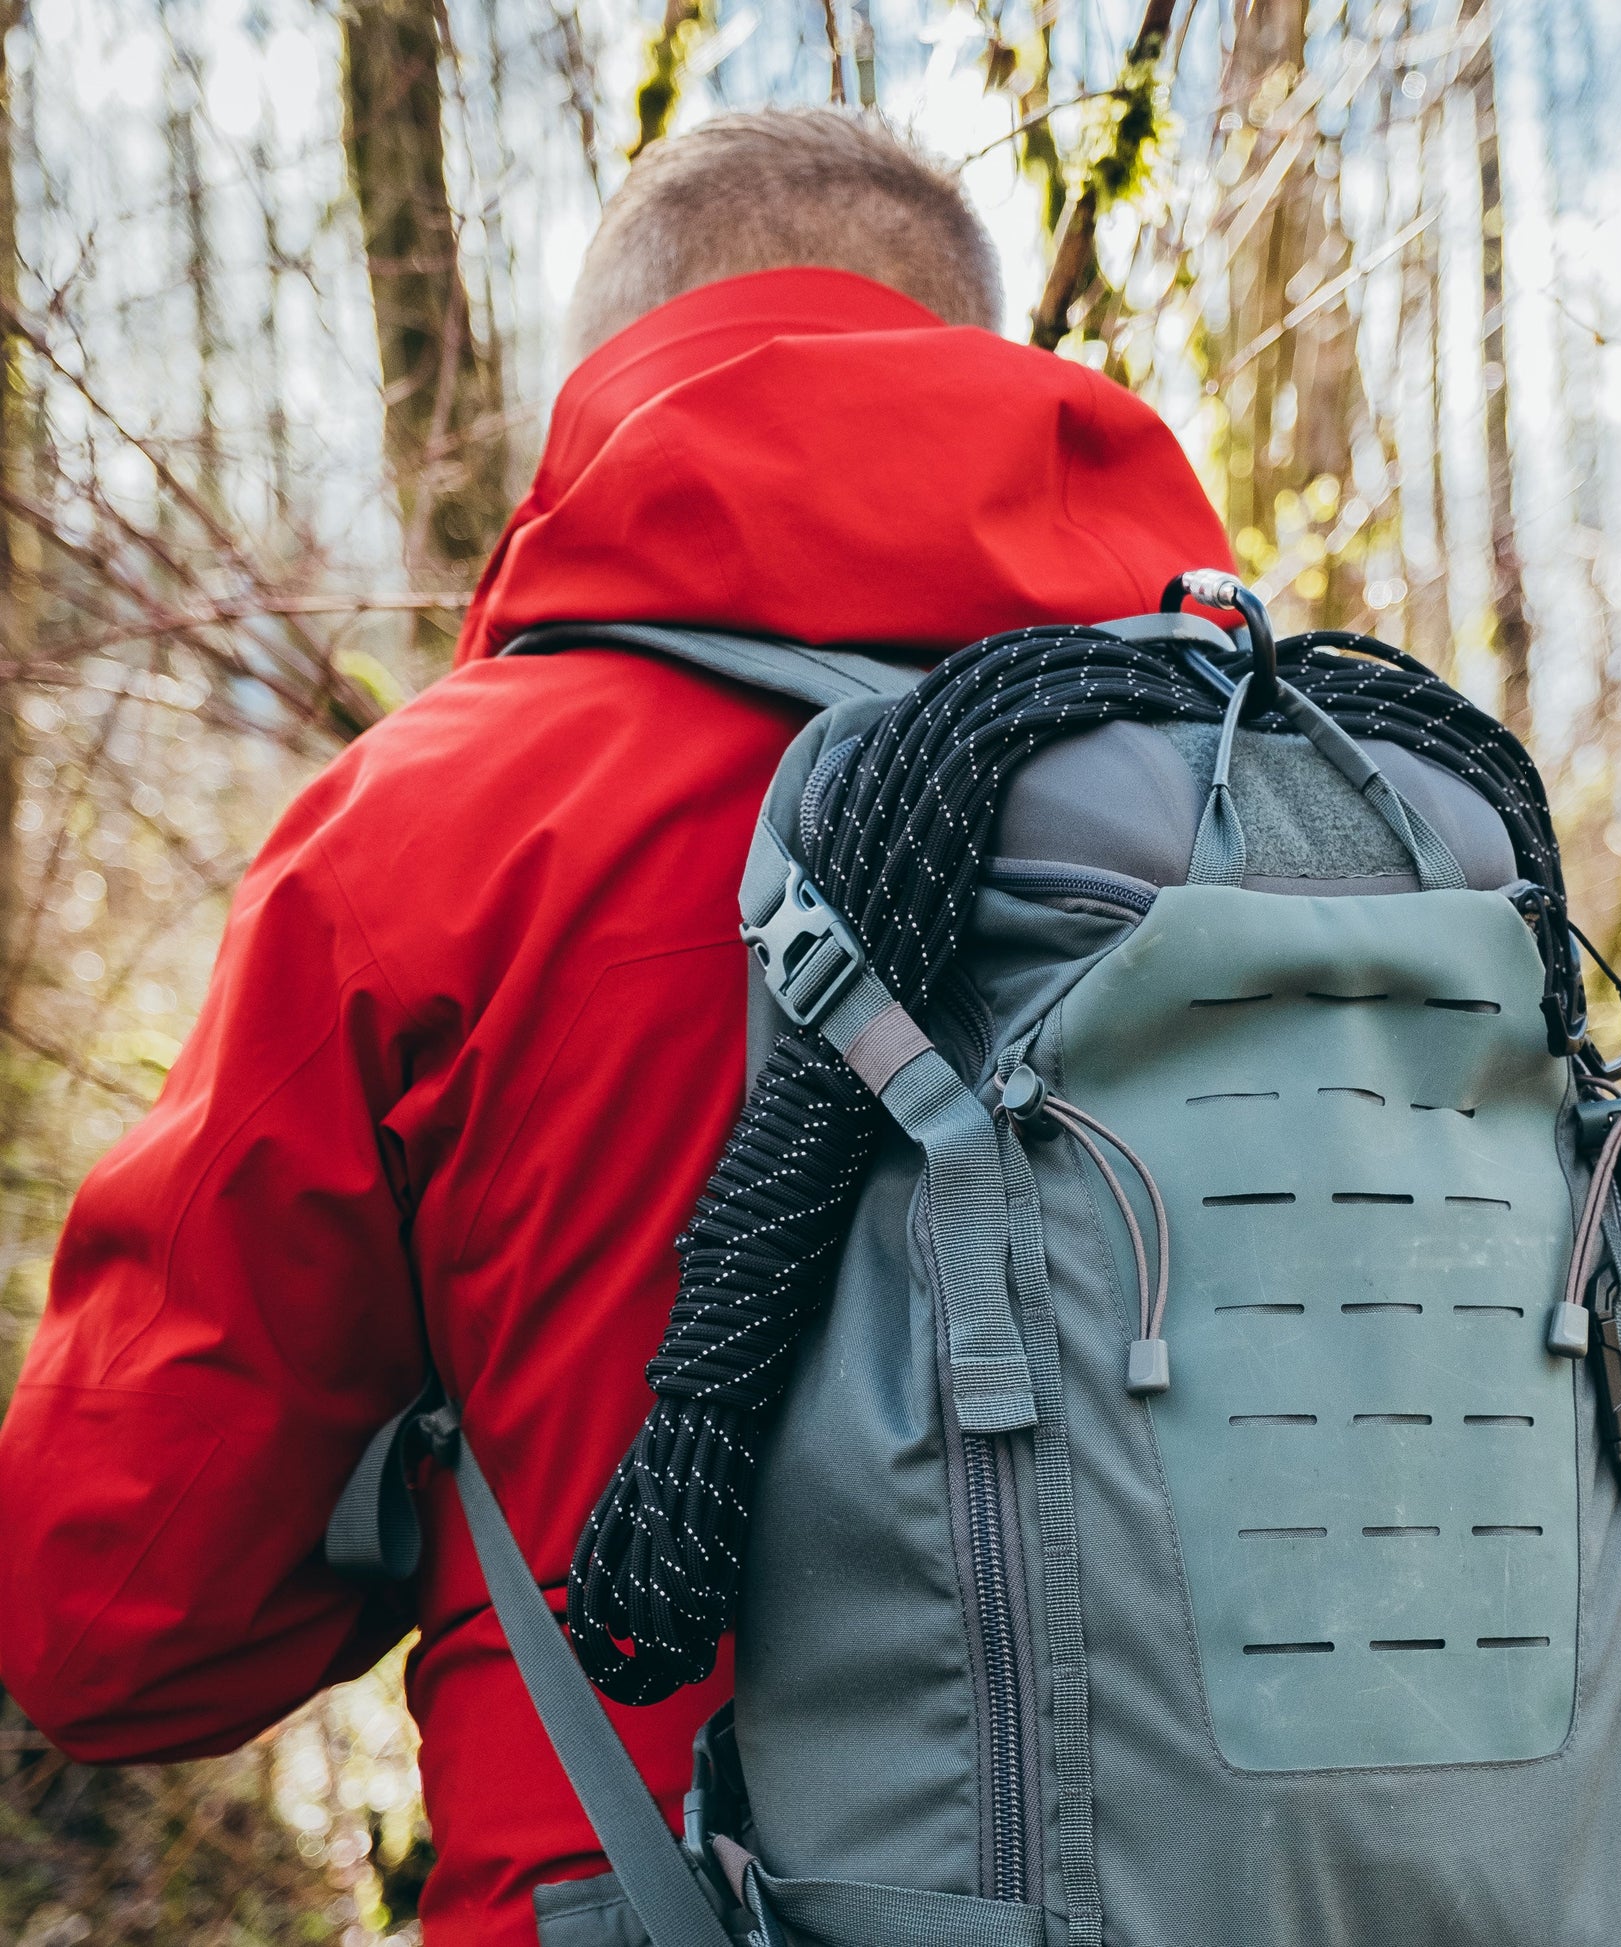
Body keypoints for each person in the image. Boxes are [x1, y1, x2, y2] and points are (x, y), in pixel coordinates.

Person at [0, 107, 1231, 1944]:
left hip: (641, 1899)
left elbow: (107, 1627)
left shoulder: (430, 830)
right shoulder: (1293, 784)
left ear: (613, 393)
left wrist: (447, 1444)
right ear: (988, 364)